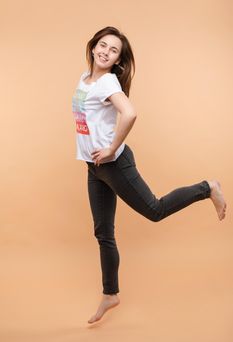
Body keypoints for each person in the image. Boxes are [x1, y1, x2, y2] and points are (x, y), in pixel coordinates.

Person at [72, 26, 227, 324]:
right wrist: (96, 157)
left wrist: (111, 148)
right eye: (102, 45)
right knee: (103, 233)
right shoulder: (85, 79)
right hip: (93, 168)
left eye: (113, 49)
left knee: (155, 210)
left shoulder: (107, 83)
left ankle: (207, 187)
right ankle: (110, 294)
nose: (105, 51)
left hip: (114, 165)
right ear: (93, 47)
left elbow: (129, 113)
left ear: (118, 59)